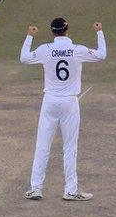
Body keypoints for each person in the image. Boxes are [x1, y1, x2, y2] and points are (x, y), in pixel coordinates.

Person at [20, 18, 106, 201]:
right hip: (69, 102)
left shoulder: (45, 50)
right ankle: (70, 190)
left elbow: (24, 58)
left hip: (50, 101)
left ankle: (35, 188)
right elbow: (101, 55)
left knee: (42, 145)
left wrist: (29, 36)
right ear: (67, 30)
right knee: (69, 147)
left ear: (52, 32)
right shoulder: (77, 50)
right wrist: (99, 32)